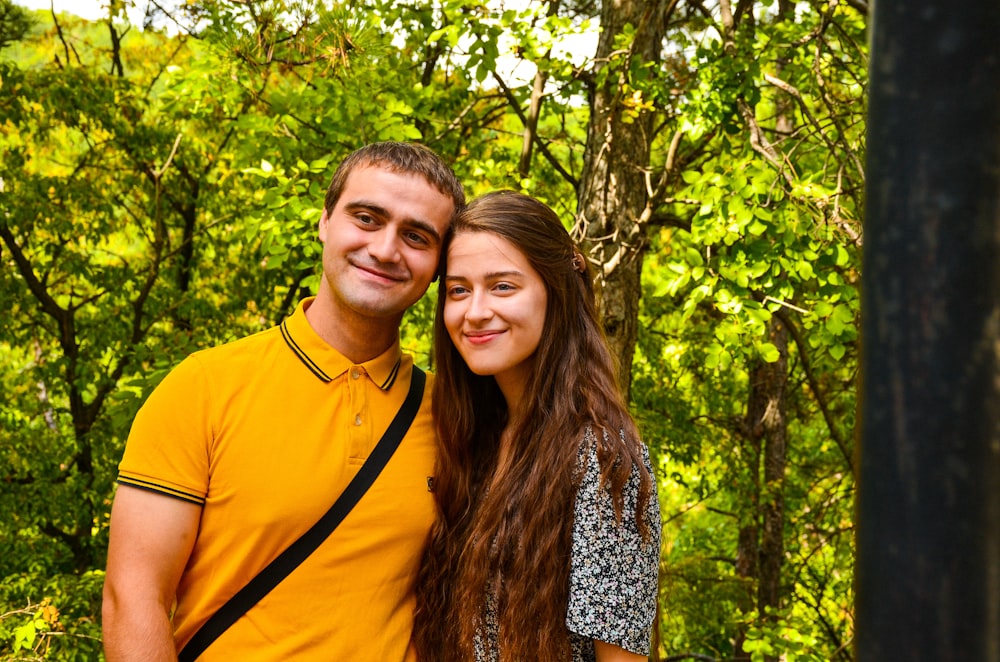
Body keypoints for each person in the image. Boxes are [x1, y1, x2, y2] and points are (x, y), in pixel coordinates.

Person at [102, 141, 465, 661]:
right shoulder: (203, 387)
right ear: (324, 222)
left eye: (416, 236)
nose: (386, 249)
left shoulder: (454, 417)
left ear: (438, 265)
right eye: (366, 218)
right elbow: (132, 597)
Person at [413, 190, 662, 661]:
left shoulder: (604, 461)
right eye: (458, 290)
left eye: (503, 286)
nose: (475, 311)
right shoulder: (470, 441)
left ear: (556, 292)